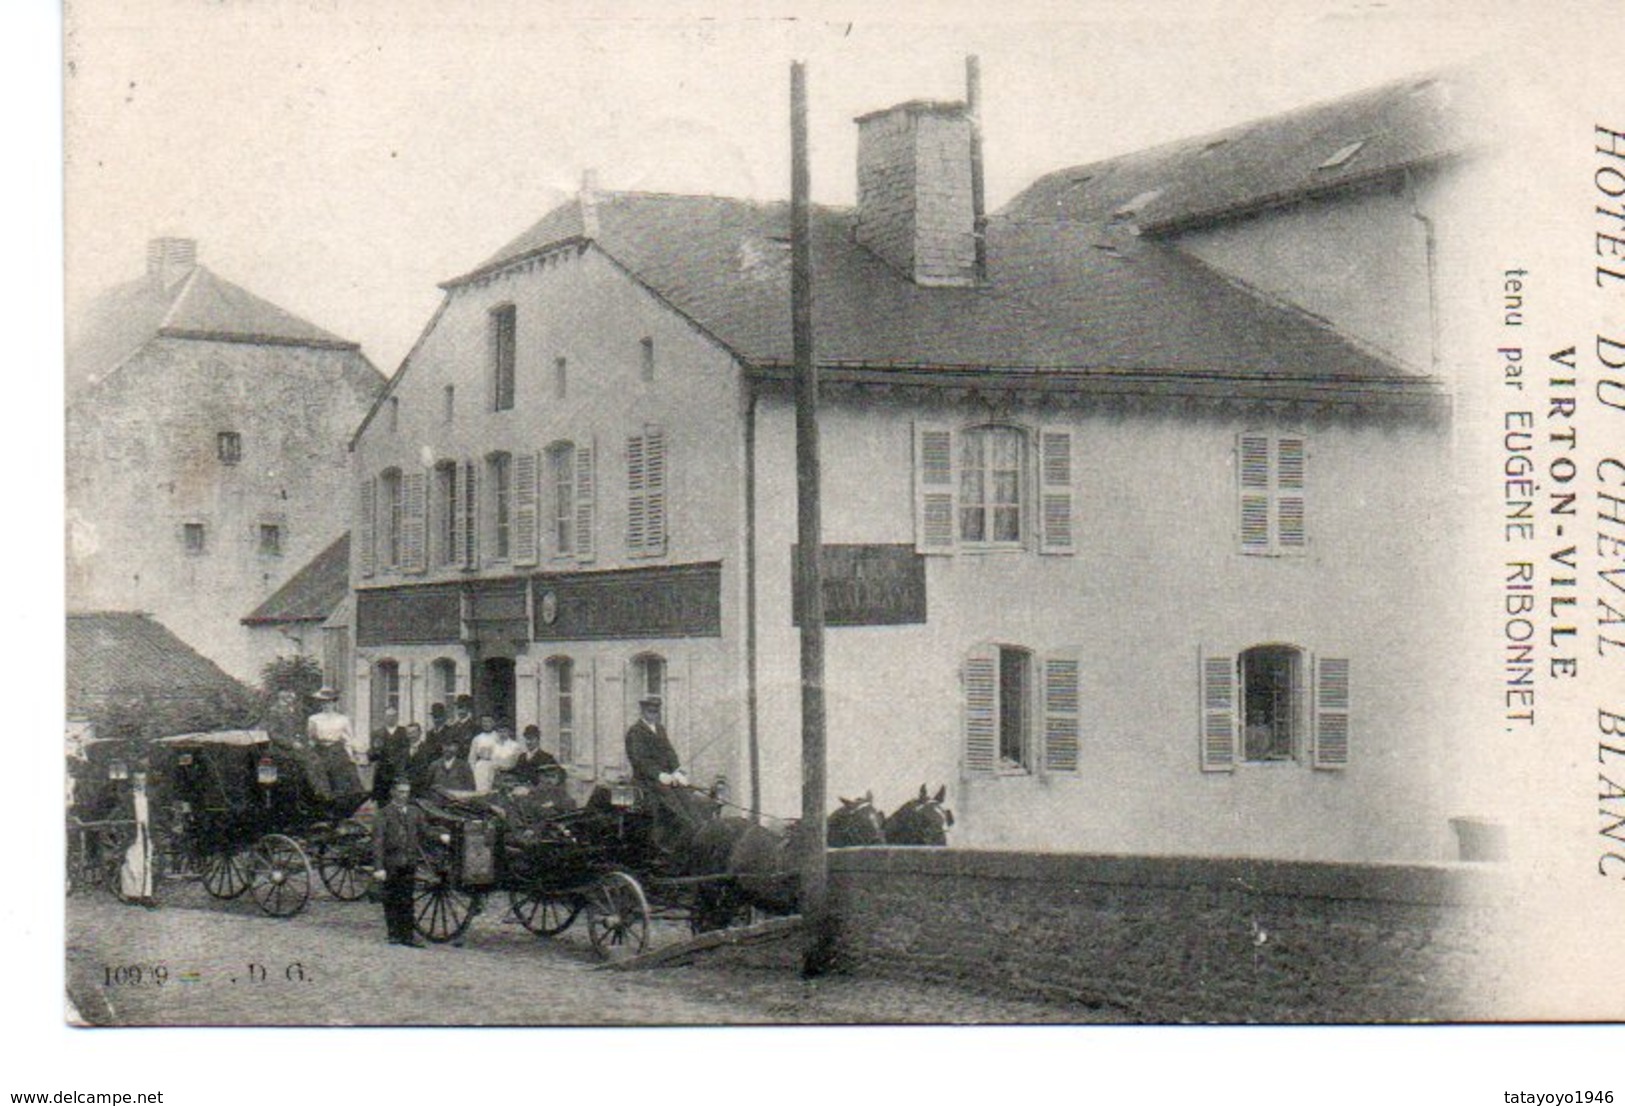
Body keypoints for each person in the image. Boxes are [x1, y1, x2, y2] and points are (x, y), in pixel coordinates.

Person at [624, 696, 703, 850]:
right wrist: (660, 775)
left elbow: (670, 753)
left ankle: (699, 827)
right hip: (646, 781)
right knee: (669, 797)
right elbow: (640, 761)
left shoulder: (660, 729)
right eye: (650, 711)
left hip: (665, 777)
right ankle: (687, 828)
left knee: (685, 792)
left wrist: (677, 771)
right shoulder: (635, 733)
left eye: (656, 712)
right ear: (643, 712)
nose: (653, 715)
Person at [371, 779, 425, 947]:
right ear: (393, 792)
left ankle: (408, 935)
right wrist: (379, 867)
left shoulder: (414, 812)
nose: (404, 796)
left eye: (407, 792)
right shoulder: (383, 813)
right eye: (401, 792)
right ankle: (393, 933)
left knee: (407, 898)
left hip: (409, 861)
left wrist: (441, 836)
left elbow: (425, 831)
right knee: (391, 897)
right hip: (391, 862)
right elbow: (378, 842)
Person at [118, 771, 158, 909]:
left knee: (146, 863)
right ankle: (131, 894)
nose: (140, 782)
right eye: (137, 780)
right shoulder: (127, 797)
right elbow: (118, 815)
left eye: (142, 779)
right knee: (131, 864)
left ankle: (146, 895)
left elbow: (157, 814)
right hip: (132, 833)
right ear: (133, 781)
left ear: (146, 781)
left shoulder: (150, 796)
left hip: (147, 832)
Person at [369, 708, 412, 805]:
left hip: (399, 772)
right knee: (382, 802)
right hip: (382, 774)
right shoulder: (377, 733)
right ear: (384, 717)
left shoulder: (404, 732)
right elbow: (371, 756)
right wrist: (375, 750)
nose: (391, 718)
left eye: (393, 716)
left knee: (399, 799)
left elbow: (406, 752)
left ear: (397, 717)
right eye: (388, 716)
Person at [467, 714, 502, 793]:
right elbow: (472, 757)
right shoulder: (477, 738)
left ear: (493, 723)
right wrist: (474, 768)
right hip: (481, 766)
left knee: (493, 789)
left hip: (494, 765)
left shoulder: (498, 737)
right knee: (480, 789)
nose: (486, 724)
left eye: (489, 721)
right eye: (484, 722)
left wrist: (498, 766)